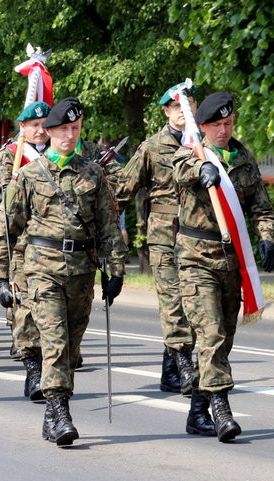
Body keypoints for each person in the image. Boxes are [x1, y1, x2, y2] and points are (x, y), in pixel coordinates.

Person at [8, 97, 127, 446]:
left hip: (81, 271)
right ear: (50, 132)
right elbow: (8, 228)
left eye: (75, 129)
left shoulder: (93, 173)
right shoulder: (29, 175)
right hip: (41, 269)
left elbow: (108, 225)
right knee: (55, 342)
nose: (70, 136)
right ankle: (60, 412)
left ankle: (52, 411)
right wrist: (4, 274)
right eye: (63, 130)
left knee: (72, 347)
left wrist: (115, 269)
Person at [172, 92, 274, 442]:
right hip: (196, 259)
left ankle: (197, 411)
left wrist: (267, 236)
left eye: (228, 124)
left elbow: (261, 207)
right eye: (216, 125)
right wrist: (204, 169)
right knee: (210, 334)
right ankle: (221, 409)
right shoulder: (191, 153)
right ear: (202, 126)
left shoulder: (243, 157)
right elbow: (181, 170)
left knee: (223, 339)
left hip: (233, 260)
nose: (224, 130)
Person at [114, 83, 199, 396]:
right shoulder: (152, 146)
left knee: (193, 302)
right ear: (166, 111)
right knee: (173, 300)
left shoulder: (203, 144)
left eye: (186, 106)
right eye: (176, 107)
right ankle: (185, 368)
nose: (181, 112)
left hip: (199, 237)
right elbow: (124, 189)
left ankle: (170, 371)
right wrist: (105, 228)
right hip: (164, 235)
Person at [0, 101, 51, 400]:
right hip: (24, 245)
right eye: (34, 126)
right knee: (26, 311)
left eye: (44, 125)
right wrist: (1, 275)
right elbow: (4, 198)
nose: (40, 131)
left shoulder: (64, 156)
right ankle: (34, 371)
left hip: (56, 249)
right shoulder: (10, 157)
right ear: (23, 127)